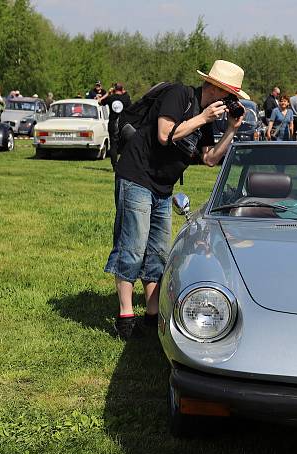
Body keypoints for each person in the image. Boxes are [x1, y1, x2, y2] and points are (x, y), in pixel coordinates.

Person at [104, 60, 249, 339]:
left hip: (163, 187)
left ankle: (153, 313)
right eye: (230, 96)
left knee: (159, 252)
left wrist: (231, 128)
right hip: (137, 176)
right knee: (132, 246)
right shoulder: (180, 96)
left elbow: (209, 159)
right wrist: (204, 117)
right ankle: (124, 317)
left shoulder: (207, 118)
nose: (230, 102)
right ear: (216, 89)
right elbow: (164, 134)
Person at [99, 82, 132, 171]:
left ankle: (115, 166)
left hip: (113, 124)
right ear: (122, 89)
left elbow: (100, 102)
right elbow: (131, 107)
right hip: (124, 124)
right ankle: (125, 165)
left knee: (113, 145)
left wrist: (108, 93)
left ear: (114, 89)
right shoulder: (126, 98)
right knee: (125, 145)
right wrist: (124, 92)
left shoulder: (111, 98)